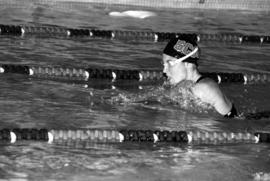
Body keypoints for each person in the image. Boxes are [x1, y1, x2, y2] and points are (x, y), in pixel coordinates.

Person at [162, 37, 237, 118]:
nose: (164, 71)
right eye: (164, 65)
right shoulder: (186, 85)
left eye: (170, 64)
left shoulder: (203, 88)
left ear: (188, 64)